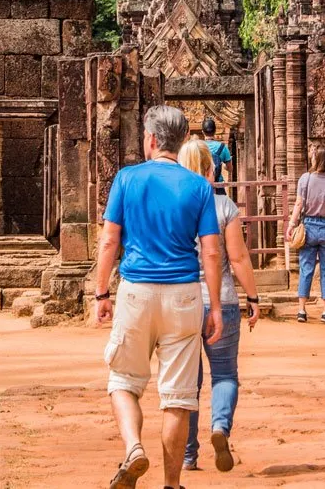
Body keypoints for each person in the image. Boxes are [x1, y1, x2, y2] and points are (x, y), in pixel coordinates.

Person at [95, 105, 225, 489]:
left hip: (136, 291)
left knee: (123, 380)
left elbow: (108, 241)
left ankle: (134, 448)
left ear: (151, 140)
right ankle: (171, 485)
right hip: (184, 294)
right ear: (183, 141)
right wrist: (214, 306)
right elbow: (212, 251)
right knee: (178, 398)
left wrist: (101, 292)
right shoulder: (199, 187)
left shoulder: (127, 178)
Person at [177, 140, 261, 474]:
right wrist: (253, 298)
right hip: (222, 299)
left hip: (181, 301)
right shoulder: (224, 205)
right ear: (212, 170)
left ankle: (187, 455)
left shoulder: (172, 204)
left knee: (187, 381)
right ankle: (220, 427)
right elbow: (238, 258)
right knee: (225, 374)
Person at [286, 144, 325, 325]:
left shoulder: (305, 179)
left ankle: (301, 309)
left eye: (313, 156)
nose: (311, 158)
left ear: (317, 159)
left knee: (306, 268)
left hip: (309, 226)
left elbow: (298, 204)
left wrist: (291, 224)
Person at [202, 118, 232, 194]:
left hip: (203, 185)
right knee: (222, 204)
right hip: (218, 185)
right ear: (215, 131)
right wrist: (225, 166)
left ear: (203, 132)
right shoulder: (222, 147)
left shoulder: (198, 147)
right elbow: (230, 168)